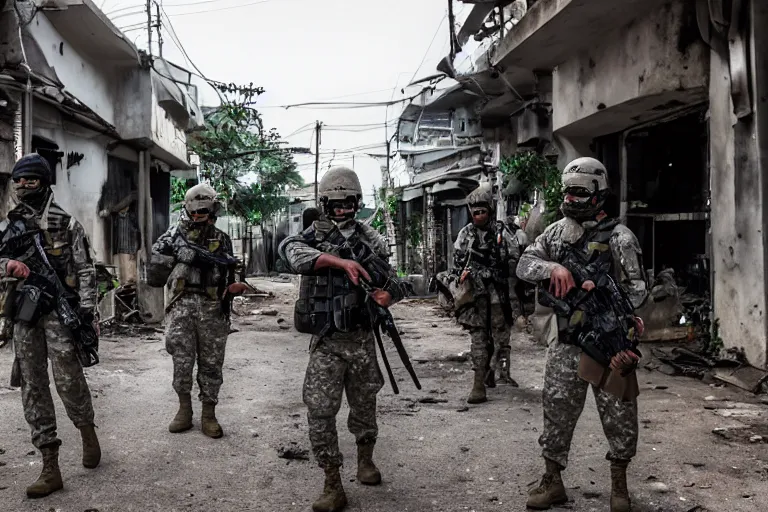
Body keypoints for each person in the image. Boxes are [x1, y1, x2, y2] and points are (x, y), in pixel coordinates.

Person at [516, 157, 648, 512]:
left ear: (598, 192)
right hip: (567, 341)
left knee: (620, 414)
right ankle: (553, 480)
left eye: (579, 192)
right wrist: (553, 267)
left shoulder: (620, 238)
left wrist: (614, 307)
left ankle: (619, 486)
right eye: (567, 191)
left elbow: (638, 289)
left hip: (607, 343)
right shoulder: (556, 232)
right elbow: (525, 265)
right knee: (557, 411)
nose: (571, 199)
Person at [278, 166, 409, 512]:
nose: (341, 209)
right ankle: (332, 482)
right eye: (334, 203)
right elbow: (290, 252)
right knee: (320, 411)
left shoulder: (371, 239)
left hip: (362, 339)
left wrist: (389, 295)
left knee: (365, 407)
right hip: (327, 341)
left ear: (357, 202)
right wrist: (336, 262)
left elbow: (396, 280)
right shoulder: (311, 235)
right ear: (323, 204)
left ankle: (365, 460)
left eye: (347, 202)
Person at [0, 153, 100, 498]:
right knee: (33, 386)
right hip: (25, 315)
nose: (24, 186)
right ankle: (49, 464)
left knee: (69, 380)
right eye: (19, 180)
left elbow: (86, 270)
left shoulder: (64, 223)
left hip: (60, 313)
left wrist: (87, 315)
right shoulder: (9, 225)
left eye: (31, 180)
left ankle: (87, 431)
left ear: (44, 183)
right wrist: (9, 265)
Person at [148, 183, 248, 438]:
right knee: (182, 362)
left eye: (203, 212)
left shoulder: (221, 239)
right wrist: (179, 257)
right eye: (194, 212)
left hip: (213, 307)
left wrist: (233, 288)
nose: (198, 217)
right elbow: (154, 273)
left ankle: (208, 414)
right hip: (181, 306)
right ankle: (184, 410)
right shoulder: (172, 236)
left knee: (212, 363)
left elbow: (228, 273)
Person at [452, 182, 521, 404]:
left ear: (489, 211)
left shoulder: (503, 232)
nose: (478, 216)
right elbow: (457, 262)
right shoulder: (466, 234)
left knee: (500, 338)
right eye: (475, 213)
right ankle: (478, 383)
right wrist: (464, 275)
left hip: (498, 295)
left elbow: (515, 261)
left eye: (482, 212)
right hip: (475, 296)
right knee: (479, 338)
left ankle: (497, 371)